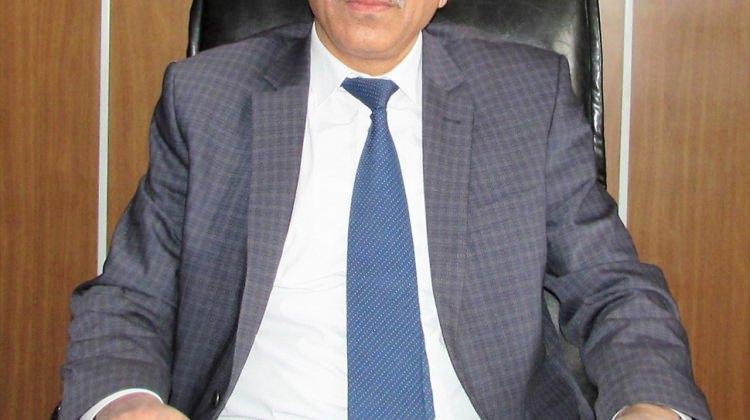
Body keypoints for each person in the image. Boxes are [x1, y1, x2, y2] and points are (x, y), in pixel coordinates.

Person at [61, 0, 711, 419]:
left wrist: (650, 405)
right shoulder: (206, 97)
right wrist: (126, 403)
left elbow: (613, 287)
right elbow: (129, 298)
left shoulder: (524, 96)